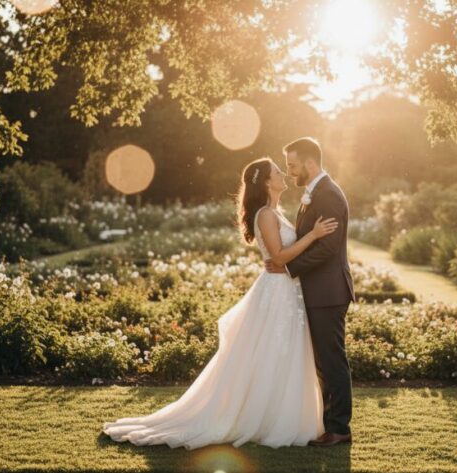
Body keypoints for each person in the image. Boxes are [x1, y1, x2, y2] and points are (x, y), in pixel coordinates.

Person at [101, 156, 338, 449]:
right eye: (278, 171)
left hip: (287, 290)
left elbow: (283, 256)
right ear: (266, 181)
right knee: (272, 353)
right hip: (277, 291)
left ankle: (278, 415)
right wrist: (314, 235)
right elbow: (277, 257)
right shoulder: (265, 214)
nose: (283, 174)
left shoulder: (276, 212)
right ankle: (265, 419)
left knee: (280, 354)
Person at [265, 136, 356, 447]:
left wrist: (290, 268)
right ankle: (331, 424)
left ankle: (340, 428)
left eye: (292, 166)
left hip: (328, 291)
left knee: (332, 360)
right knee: (323, 362)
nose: (290, 172)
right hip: (319, 291)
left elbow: (328, 248)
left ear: (309, 163)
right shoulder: (315, 193)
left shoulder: (328, 195)